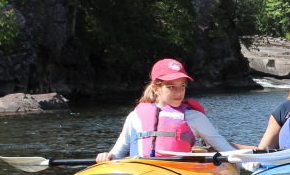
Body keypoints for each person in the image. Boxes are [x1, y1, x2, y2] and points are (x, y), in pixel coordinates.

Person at [96, 58, 235, 162]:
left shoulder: (194, 117)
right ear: (156, 89)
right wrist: (108, 156)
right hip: (140, 172)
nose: (179, 92)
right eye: (171, 87)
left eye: (182, 86)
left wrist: (252, 165)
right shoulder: (135, 117)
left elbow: (224, 148)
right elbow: (118, 152)